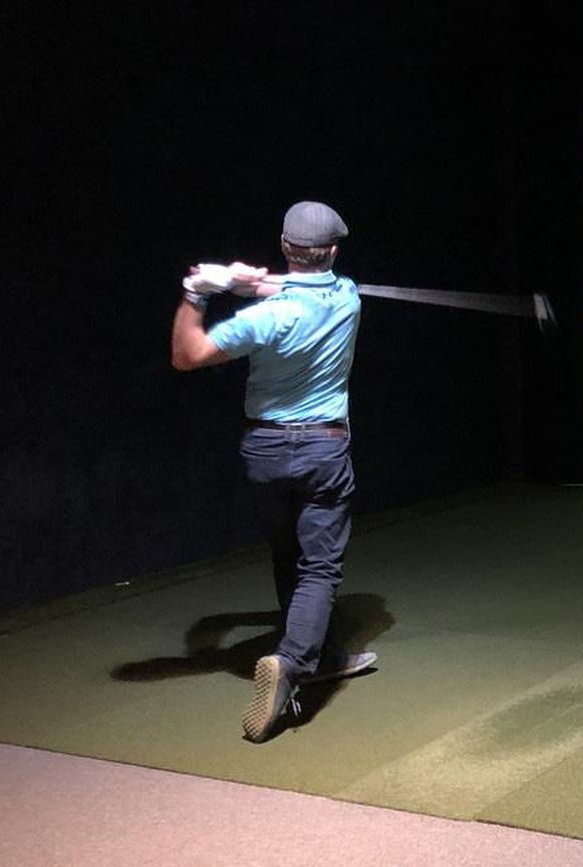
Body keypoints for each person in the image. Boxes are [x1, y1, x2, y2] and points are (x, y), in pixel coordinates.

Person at [171, 201, 376, 743]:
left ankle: (320, 655)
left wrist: (198, 293)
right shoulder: (348, 296)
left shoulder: (266, 317)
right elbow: (286, 286)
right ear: (332, 251)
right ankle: (292, 662)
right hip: (323, 450)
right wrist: (238, 281)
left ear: (286, 247)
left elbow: (188, 354)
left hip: (264, 452)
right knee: (319, 567)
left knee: (288, 554)